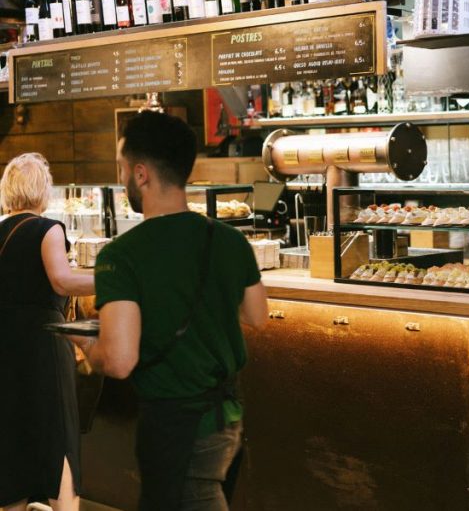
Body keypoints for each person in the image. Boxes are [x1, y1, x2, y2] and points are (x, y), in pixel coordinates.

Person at [73, 111, 268, 511]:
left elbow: (121, 360)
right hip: (229, 416)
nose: (122, 177)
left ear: (141, 174)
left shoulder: (121, 257)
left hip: (177, 422)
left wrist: (87, 345)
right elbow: (257, 315)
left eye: (122, 168)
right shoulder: (229, 240)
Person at [0, 153, 95, 511]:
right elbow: (62, 279)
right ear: (43, 190)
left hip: (6, 345)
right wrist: (120, 279)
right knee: (59, 434)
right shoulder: (47, 229)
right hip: (43, 346)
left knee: (12, 436)